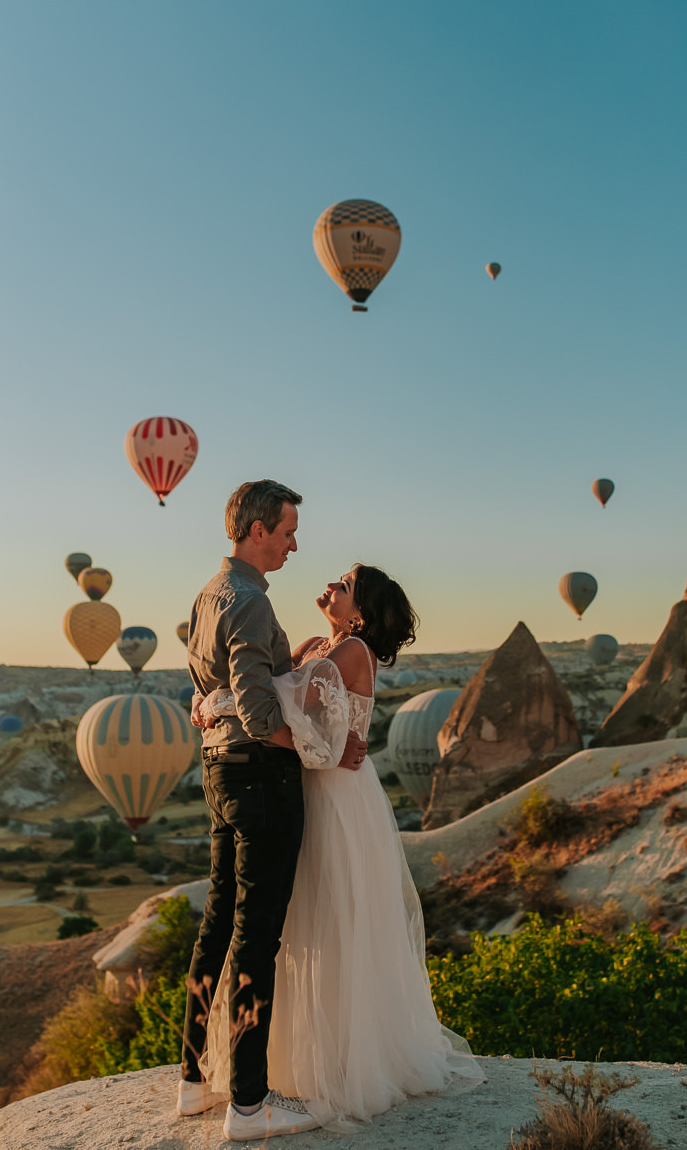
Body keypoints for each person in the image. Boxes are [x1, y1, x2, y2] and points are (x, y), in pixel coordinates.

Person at [199, 563, 486, 1135]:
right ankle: (298, 1061)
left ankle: (347, 1064)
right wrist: (220, 699)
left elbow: (289, 713)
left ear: (359, 611)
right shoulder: (315, 645)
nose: (331, 583)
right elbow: (275, 699)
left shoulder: (353, 651)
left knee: (334, 925)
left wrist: (219, 704)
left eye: (345, 584)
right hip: (307, 789)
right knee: (298, 927)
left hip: (337, 799)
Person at [177, 480, 367, 1140]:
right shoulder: (252, 602)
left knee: (218, 919)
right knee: (259, 935)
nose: (293, 544)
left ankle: (194, 1080)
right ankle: (251, 1104)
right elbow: (261, 715)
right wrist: (317, 750)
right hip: (261, 777)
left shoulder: (210, 593)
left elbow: (219, 688)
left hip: (217, 770)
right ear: (258, 531)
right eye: (287, 532)